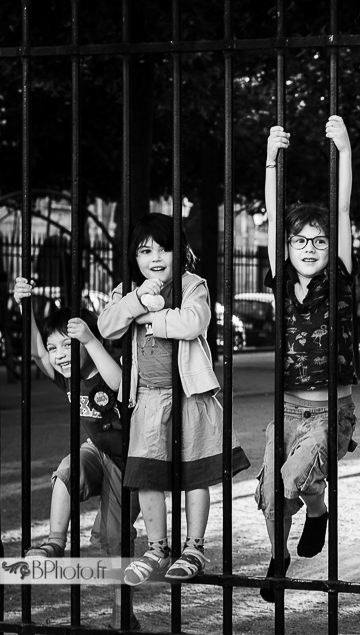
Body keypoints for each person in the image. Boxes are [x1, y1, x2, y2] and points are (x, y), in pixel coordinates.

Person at [98, 212, 251, 586]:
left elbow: (195, 322)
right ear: (133, 257)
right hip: (148, 398)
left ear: (178, 252)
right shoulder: (127, 291)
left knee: (195, 473)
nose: (156, 257)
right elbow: (106, 325)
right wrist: (136, 301)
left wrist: (154, 316)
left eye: (165, 249)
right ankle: (157, 548)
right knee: (147, 475)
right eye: (145, 250)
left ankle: (194, 547)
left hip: (190, 396)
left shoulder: (191, 284)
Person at [256, 116, 359, 603]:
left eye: (319, 241)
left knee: (294, 477)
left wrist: (343, 149)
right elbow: (275, 217)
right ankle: (281, 559)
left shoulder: (337, 277)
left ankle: (315, 509)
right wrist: (271, 160)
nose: (311, 247)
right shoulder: (281, 280)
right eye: (301, 241)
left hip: (328, 413)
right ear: (288, 250)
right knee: (269, 494)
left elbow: (341, 208)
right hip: (287, 410)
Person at [13, 282, 140, 629]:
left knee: (115, 537)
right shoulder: (65, 376)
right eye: (55, 348)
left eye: (66, 345)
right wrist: (27, 308)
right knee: (66, 472)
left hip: (128, 462)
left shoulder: (103, 368)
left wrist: (90, 340)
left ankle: (121, 610)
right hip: (96, 450)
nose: (58, 354)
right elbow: (38, 354)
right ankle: (55, 543)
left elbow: (118, 385)